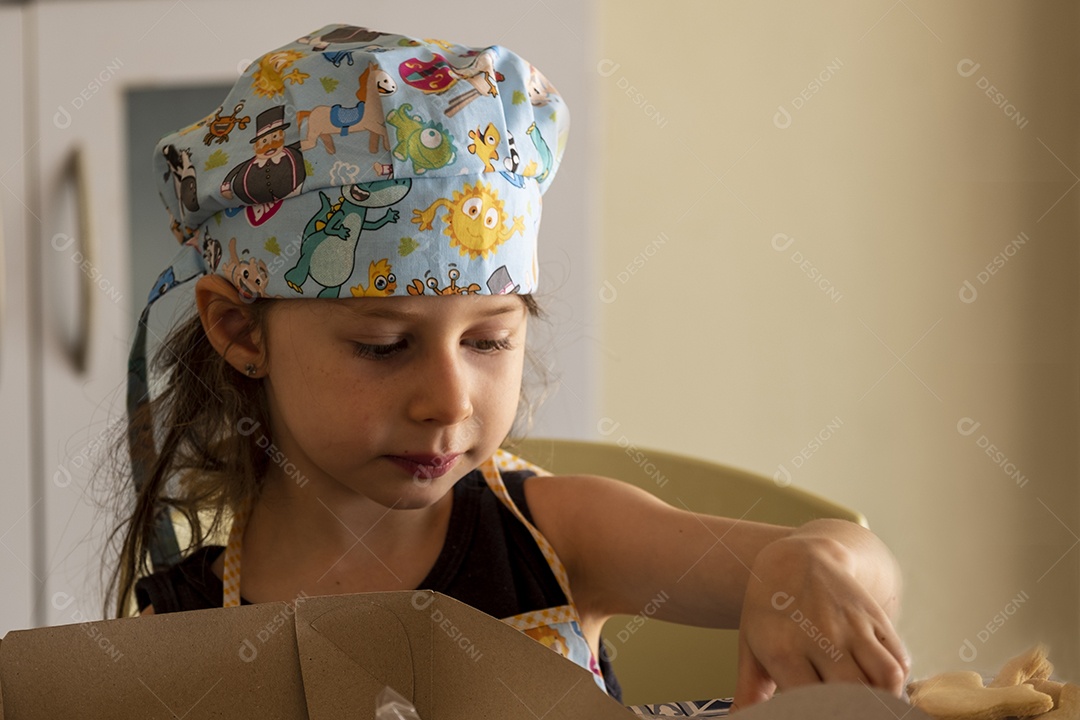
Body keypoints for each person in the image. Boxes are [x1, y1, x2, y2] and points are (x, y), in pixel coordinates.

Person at [112, 23, 908, 711]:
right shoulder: (182, 630)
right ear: (238, 330)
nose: (449, 400)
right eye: (384, 347)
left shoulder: (563, 539)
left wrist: (807, 565)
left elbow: (863, 567)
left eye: (488, 342)